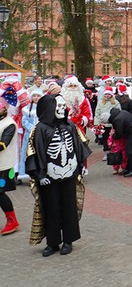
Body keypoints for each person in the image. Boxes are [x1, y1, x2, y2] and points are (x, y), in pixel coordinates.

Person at [25, 94, 91, 256]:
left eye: (63, 106)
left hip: (69, 173)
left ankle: (68, 240)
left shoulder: (69, 125)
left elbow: (78, 146)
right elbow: (33, 152)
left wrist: (81, 166)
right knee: (51, 208)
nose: (62, 109)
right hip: (49, 176)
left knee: (69, 207)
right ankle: (53, 242)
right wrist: (39, 174)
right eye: (58, 106)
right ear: (49, 108)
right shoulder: (39, 129)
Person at [104, 106, 132, 177]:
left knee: (130, 150)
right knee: (129, 150)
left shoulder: (117, 120)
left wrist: (113, 136)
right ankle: (128, 168)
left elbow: (119, 133)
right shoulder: (119, 113)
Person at [0, 90, 20, 235]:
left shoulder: (9, 124)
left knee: (0, 193)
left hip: (4, 166)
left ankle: (12, 221)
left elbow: (3, 144)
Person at [18, 88, 43, 182]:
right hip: (29, 135)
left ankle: (40, 172)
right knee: (28, 153)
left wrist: (41, 128)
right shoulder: (27, 109)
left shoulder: (44, 108)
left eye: (38, 96)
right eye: (34, 96)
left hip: (41, 134)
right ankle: (26, 172)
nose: (36, 98)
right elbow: (24, 122)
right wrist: (33, 128)